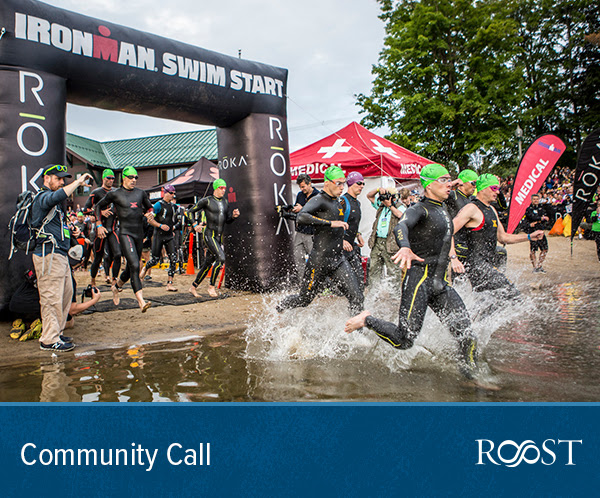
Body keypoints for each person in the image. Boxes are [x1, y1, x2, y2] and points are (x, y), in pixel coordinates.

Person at [345, 164, 477, 378]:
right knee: (404, 339)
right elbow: (401, 226)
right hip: (419, 281)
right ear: (428, 185)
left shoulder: (445, 205)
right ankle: (366, 320)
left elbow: (462, 191)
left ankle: (472, 379)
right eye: (442, 180)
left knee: (467, 334)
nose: (448, 184)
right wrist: (404, 246)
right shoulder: (419, 209)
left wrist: (453, 182)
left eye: (448, 180)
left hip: (440, 285)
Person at [277, 166, 363, 315]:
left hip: (337, 260)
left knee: (357, 297)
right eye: (338, 183)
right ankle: (278, 309)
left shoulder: (338, 201)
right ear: (327, 183)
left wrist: (353, 235)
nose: (342, 187)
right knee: (304, 300)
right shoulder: (319, 200)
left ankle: (356, 334)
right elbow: (302, 216)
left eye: (343, 183)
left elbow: (345, 223)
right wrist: (330, 223)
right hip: (319, 262)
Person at [452, 173, 544, 299]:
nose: (498, 192)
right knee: (514, 296)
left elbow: (503, 237)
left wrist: (529, 237)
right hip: (477, 265)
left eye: (499, 188)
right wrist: (453, 258)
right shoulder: (471, 208)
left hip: (488, 263)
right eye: (494, 188)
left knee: (491, 304)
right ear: (483, 188)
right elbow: (448, 231)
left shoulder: (491, 210)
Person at [32, 164, 92, 351]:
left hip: (59, 255)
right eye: (57, 179)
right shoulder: (42, 197)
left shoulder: (56, 205)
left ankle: (56, 332)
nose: (61, 182)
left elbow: (56, 225)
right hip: (47, 255)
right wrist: (78, 182)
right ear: (46, 178)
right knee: (51, 297)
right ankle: (49, 339)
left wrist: (70, 231)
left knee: (64, 296)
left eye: (62, 179)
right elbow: (58, 196)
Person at [96, 166, 162, 312]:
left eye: (136, 178)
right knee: (135, 265)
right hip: (125, 233)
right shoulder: (115, 194)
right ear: (124, 178)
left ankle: (117, 286)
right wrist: (99, 223)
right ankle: (141, 301)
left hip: (139, 233)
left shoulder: (141, 193)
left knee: (131, 267)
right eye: (131, 177)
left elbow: (149, 207)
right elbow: (97, 206)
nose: (134, 180)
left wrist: (150, 214)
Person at [186, 179, 240, 298]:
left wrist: (234, 217)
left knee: (207, 264)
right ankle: (211, 287)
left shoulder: (225, 202)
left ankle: (193, 287)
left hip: (218, 237)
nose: (223, 190)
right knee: (221, 258)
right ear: (216, 188)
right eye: (221, 188)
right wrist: (194, 225)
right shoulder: (207, 201)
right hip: (209, 235)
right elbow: (189, 212)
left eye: (224, 188)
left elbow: (226, 221)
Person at [84, 168, 121, 286]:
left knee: (118, 254)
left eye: (112, 178)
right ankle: (93, 280)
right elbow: (86, 209)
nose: (110, 180)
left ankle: (114, 279)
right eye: (108, 178)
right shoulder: (97, 192)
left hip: (113, 228)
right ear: (103, 179)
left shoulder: (116, 192)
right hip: (100, 229)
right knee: (98, 257)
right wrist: (100, 213)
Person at [140, 185, 178, 291]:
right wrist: (160, 225)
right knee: (155, 260)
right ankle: (145, 267)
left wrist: (172, 229)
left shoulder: (173, 206)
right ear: (165, 193)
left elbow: (172, 220)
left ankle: (169, 284)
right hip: (159, 235)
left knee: (173, 259)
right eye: (171, 193)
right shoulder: (158, 205)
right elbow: (149, 220)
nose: (172, 195)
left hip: (169, 235)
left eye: (174, 193)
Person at [366, 185, 404, 285]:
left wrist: (390, 206)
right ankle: (373, 294)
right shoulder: (381, 206)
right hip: (377, 241)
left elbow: (401, 215)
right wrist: (378, 189)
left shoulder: (400, 207)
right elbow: (369, 196)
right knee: (374, 269)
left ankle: (394, 296)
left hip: (392, 243)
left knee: (393, 271)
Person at [339, 172, 366, 292]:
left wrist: (358, 234)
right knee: (346, 282)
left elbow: (352, 223)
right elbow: (334, 223)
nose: (361, 186)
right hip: (340, 248)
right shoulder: (342, 202)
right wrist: (342, 240)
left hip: (352, 247)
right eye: (359, 183)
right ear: (350, 183)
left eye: (363, 184)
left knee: (359, 278)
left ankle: (356, 308)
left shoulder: (357, 203)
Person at [445, 169, 478, 264]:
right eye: (473, 183)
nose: (475, 187)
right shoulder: (453, 196)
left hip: (468, 242)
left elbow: (503, 206)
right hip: (456, 243)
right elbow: (434, 194)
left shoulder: (472, 200)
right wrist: (452, 183)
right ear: (462, 183)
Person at [292, 174, 320, 277]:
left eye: (303, 186)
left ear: (310, 184)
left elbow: (318, 213)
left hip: (312, 233)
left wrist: (302, 209)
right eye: (300, 187)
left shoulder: (318, 196)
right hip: (300, 231)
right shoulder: (300, 195)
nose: (302, 189)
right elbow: (298, 210)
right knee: (298, 257)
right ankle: (303, 282)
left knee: (315, 260)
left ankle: (317, 283)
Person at [524, 193, 550, 273]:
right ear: (531, 200)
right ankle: (534, 267)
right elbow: (532, 217)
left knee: (545, 249)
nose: (536, 201)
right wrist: (541, 218)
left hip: (541, 231)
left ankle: (539, 265)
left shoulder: (542, 208)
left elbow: (547, 218)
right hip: (532, 232)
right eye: (534, 199)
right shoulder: (529, 209)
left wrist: (540, 220)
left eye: (537, 199)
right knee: (533, 250)